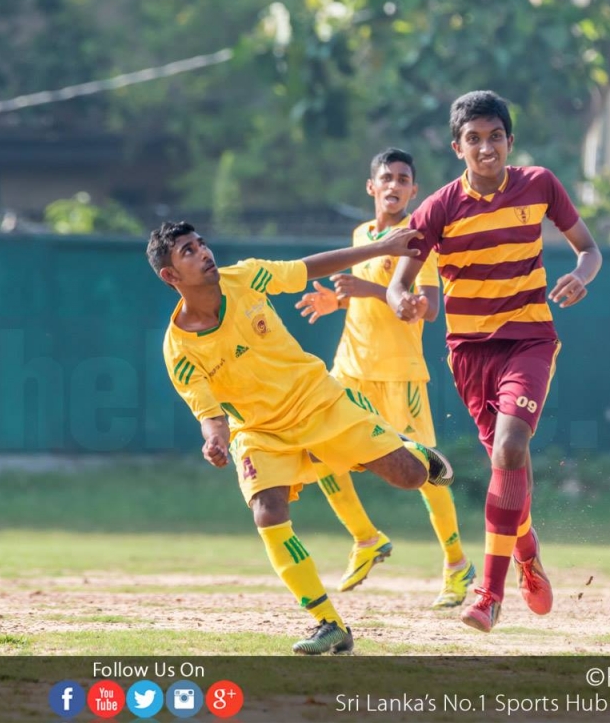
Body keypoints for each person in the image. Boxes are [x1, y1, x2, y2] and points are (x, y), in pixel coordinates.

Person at [148, 221, 455, 655]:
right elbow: (210, 414)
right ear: (170, 275)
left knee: (410, 477)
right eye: (188, 252)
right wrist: (214, 440)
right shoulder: (178, 348)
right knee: (267, 512)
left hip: (318, 401)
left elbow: (309, 268)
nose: (203, 253)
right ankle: (329, 623)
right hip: (260, 432)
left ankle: (413, 452)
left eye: (201, 244)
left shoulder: (246, 276)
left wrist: (382, 248)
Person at [386, 90, 603, 632]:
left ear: (511, 140)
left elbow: (589, 249)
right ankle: (526, 553)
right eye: (474, 139)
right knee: (508, 468)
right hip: (469, 353)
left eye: (496, 137)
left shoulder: (540, 184)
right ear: (457, 148)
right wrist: (403, 302)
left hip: (529, 340)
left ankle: (488, 594)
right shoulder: (438, 208)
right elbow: (398, 284)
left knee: (509, 449)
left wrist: (581, 276)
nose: (487, 148)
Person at [294, 148, 474, 608]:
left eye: (403, 179)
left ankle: (457, 564)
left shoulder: (417, 239)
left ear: (414, 190)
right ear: (371, 187)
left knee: (427, 472)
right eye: (387, 177)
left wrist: (371, 290)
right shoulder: (362, 234)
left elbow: (428, 309)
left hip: (398, 375)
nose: (394, 185)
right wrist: (338, 301)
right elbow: (361, 297)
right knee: (319, 451)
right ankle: (366, 538)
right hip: (349, 369)